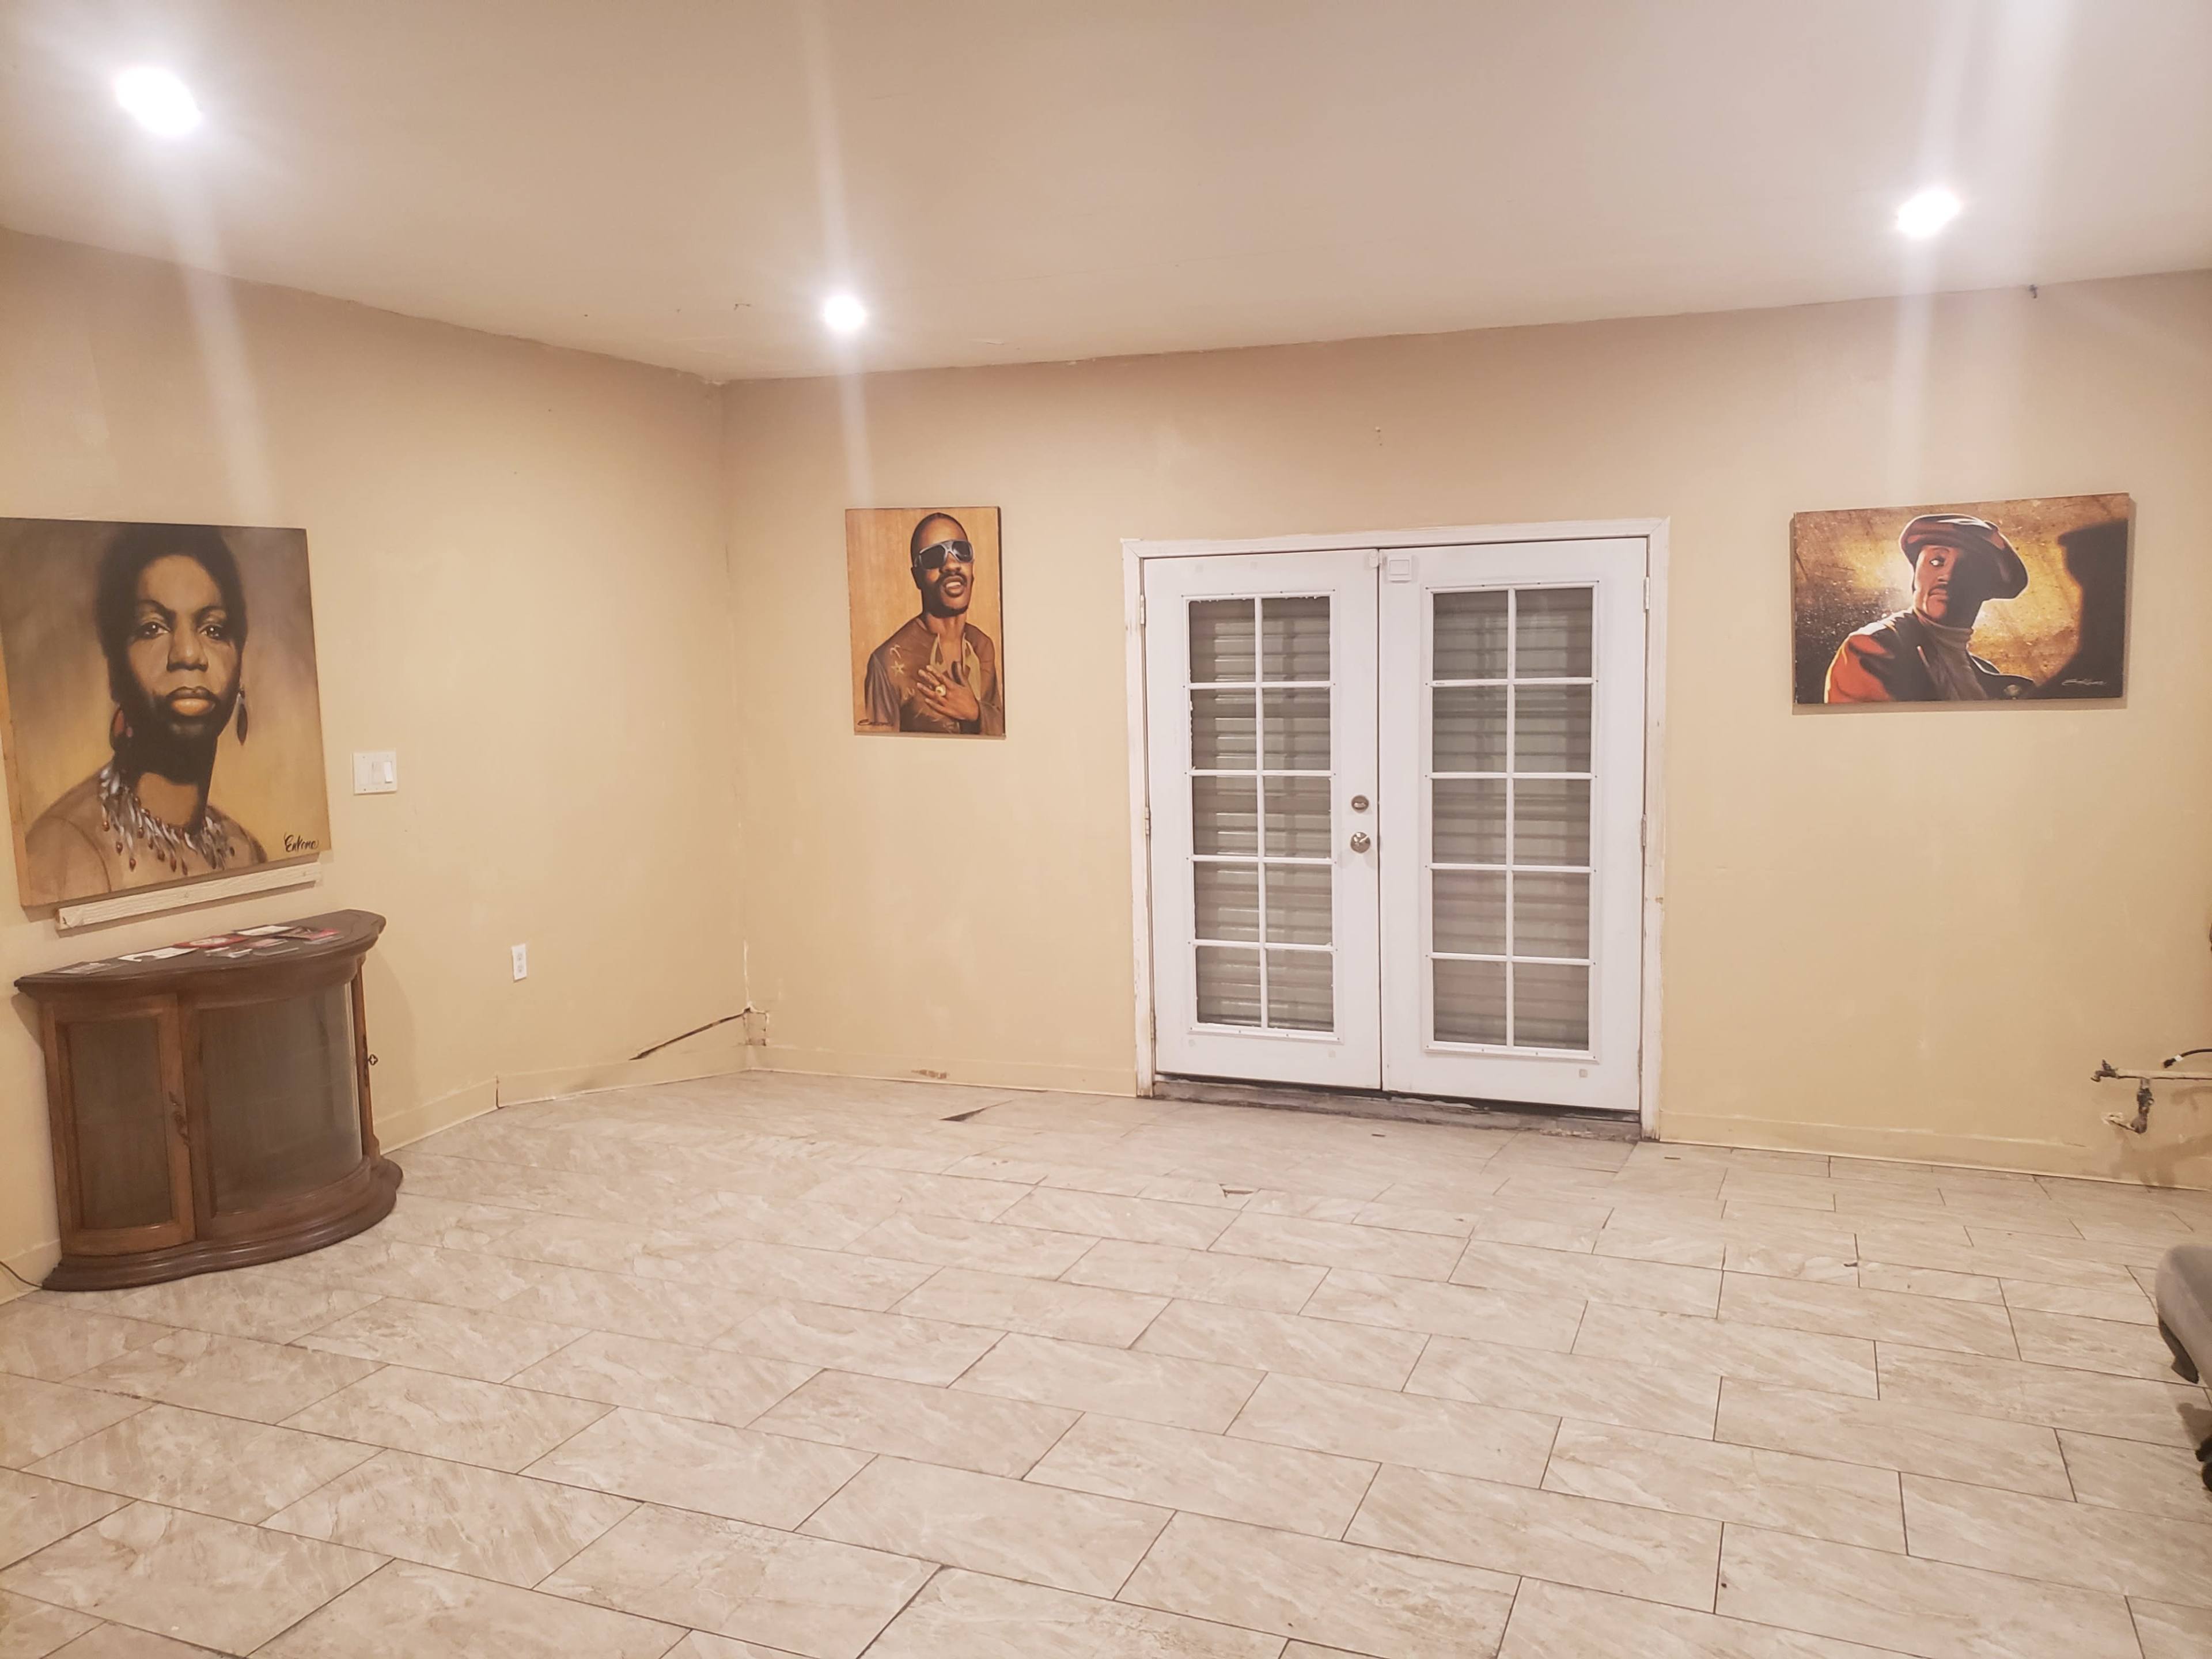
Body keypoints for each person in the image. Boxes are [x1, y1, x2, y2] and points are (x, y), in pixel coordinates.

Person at [25, 524, 267, 897]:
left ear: (241, 665)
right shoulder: (65, 850)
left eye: (213, 630)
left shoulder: (246, 852)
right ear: (115, 672)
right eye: (153, 628)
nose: (188, 654)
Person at [1824, 513, 2033, 702]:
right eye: (1936, 562)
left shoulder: (1986, 674)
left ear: (1986, 589)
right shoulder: (1872, 648)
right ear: (1915, 575)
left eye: (1968, 568)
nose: (1948, 576)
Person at [862, 512, 1005, 734]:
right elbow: (879, 754)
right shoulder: (887, 662)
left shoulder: (982, 646)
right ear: (917, 577)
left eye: (961, 551)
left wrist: (976, 713)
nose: (951, 565)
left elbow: (1006, 731)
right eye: (933, 557)